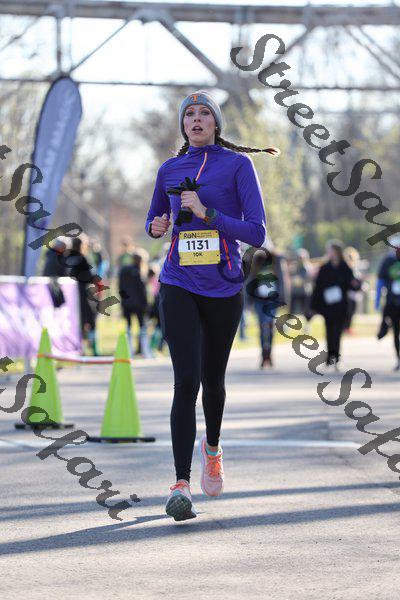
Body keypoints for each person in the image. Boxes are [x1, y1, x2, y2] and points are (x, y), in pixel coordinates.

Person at [145, 89, 279, 521]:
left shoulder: (238, 165)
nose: (197, 119)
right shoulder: (169, 169)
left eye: (205, 113)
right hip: (177, 280)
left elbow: (257, 233)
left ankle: (214, 449)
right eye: (190, 114)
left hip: (223, 285)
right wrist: (156, 225)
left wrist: (208, 214)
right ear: (183, 125)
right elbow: (154, 219)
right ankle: (180, 484)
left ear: (216, 123)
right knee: (185, 381)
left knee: (212, 382)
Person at [310, 240, 360, 370]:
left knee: (338, 332)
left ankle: (336, 357)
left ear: (337, 252)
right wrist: (313, 305)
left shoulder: (345, 267)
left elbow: (352, 284)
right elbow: (318, 287)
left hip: (341, 305)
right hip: (328, 305)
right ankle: (329, 357)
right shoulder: (324, 268)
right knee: (329, 330)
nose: (329, 253)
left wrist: (356, 285)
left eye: (330, 250)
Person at [247, 242, 290, 368]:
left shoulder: (277, 259)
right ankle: (263, 355)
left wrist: (283, 298)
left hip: (273, 299)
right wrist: (248, 300)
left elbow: (282, 279)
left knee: (270, 325)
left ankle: (269, 354)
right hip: (259, 299)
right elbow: (249, 280)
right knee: (262, 326)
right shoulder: (254, 259)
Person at [65, 235, 100, 356]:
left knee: (76, 321)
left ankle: (79, 348)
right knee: (91, 320)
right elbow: (90, 276)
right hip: (83, 293)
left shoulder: (66, 257)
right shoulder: (82, 258)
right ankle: (94, 348)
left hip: (69, 294)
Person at [118, 252, 151, 358]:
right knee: (142, 328)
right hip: (139, 304)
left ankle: (129, 352)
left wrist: (123, 302)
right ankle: (146, 352)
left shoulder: (123, 270)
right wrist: (146, 305)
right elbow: (142, 291)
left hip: (126, 303)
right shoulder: (139, 272)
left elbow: (120, 288)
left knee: (128, 327)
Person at [376, 234, 400, 370]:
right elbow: (380, 281)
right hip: (393, 302)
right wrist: (378, 300)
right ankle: (398, 358)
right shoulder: (387, 261)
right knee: (396, 331)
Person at [289, 248, 314, 331]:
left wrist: (299, 279)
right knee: (291, 309)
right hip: (295, 292)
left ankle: (307, 326)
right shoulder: (294, 267)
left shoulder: (307, 267)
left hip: (305, 292)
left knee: (306, 310)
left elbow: (306, 278)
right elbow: (291, 277)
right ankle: (288, 325)